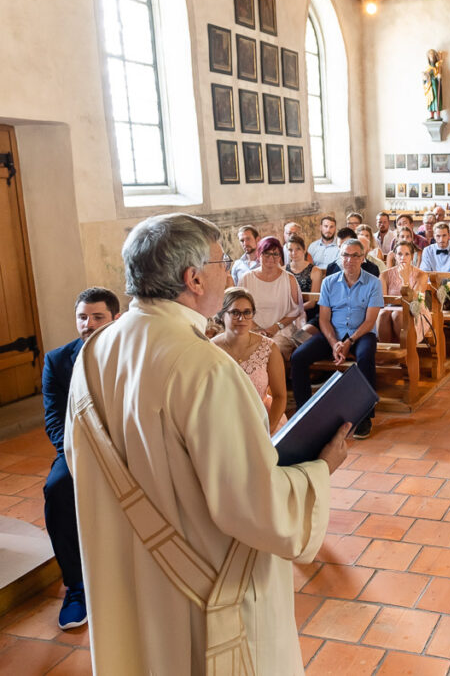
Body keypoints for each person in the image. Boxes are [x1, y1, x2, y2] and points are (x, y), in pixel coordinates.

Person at [64, 212, 349, 674]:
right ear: (194, 279)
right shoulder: (206, 368)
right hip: (202, 581)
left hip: (128, 568)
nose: (229, 269)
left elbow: (85, 465)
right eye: (223, 261)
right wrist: (320, 469)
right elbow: (255, 506)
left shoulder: (96, 349)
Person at [42, 287, 120, 630]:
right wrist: (76, 455)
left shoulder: (130, 354)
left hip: (127, 446)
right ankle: (76, 587)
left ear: (115, 318)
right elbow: (55, 419)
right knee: (57, 488)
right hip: (78, 448)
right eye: (82, 317)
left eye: (97, 316)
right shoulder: (57, 361)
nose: (88, 324)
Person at [291, 238, 383, 438]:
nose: (349, 260)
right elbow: (323, 319)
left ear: (362, 258)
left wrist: (350, 342)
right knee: (298, 357)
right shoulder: (329, 282)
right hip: (333, 333)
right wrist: (334, 343)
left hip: (362, 333)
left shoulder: (373, 283)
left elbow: (370, 321)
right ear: (340, 257)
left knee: (366, 357)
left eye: (354, 255)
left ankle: (365, 417)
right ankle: (304, 411)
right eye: (345, 255)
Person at [212, 287, 288, 432]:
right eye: (235, 313)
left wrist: (268, 430)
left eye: (247, 312)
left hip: (262, 421)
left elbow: (280, 396)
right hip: (222, 423)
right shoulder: (210, 349)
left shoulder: (269, 348)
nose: (242, 319)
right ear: (222, 315)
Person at [238, 236, 308, 359]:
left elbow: (296, 310)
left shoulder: (289, 279)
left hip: (281, 331)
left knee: (271, 351)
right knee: (244, 352)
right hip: (252, 330)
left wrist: (276, 327)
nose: (271, 258)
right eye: (266, 254)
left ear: (280, 257)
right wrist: (256, 329)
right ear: (259, 254)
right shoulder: (247, 278)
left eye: (275, 254)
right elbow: (239, 308)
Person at [378, 240, 431, 344]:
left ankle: (407, 352)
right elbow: (382, 302)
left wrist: (405, 279)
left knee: (397, 315)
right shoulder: (384, 275)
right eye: (399, 254)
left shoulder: (422, 275)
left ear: (412, 256)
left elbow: (414, 301)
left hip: (415, 311)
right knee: (383, 314)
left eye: (407, 254)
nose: (403, 257)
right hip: (389, 309)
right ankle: (387, 353)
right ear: (395, 256)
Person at [285, 234, 324, 334]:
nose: (294, 253)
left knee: (300, 336)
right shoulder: (283, 269)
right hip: (287, 310)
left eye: (297, 249)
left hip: (308, 311)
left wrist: (294, 311)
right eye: (290, 250)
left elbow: (312, 302)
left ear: (304, 250)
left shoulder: (315, 271)